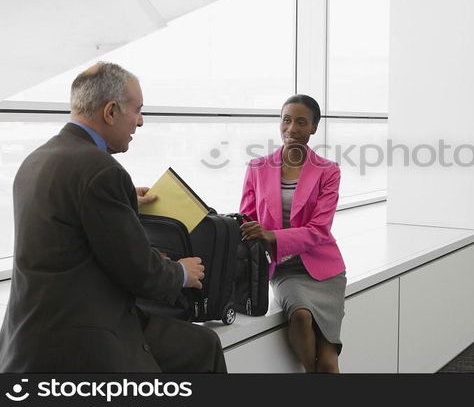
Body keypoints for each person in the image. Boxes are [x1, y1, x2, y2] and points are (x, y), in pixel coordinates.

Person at [0, 62, 227, 372]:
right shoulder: (101, 170)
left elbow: (68, 217)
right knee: (205, 346)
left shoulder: (39, 158)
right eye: (137, 110)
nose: (141, 122)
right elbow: (140, 273)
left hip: (31, 330)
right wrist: (181, 272)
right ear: (110, 112)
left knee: (198, 345)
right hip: (82, 334)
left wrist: (123, 199)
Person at [239, 94, 346, 373]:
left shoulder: (329, 171)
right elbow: (247, 219)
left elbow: (319, 230)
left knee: (329, 360)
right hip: (284, 268)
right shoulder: (258, 168)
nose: (292, 128)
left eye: (301, 122)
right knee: (299, 316)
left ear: (313, 128)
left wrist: (272, 235)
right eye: (286, 120)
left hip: (324, 269)